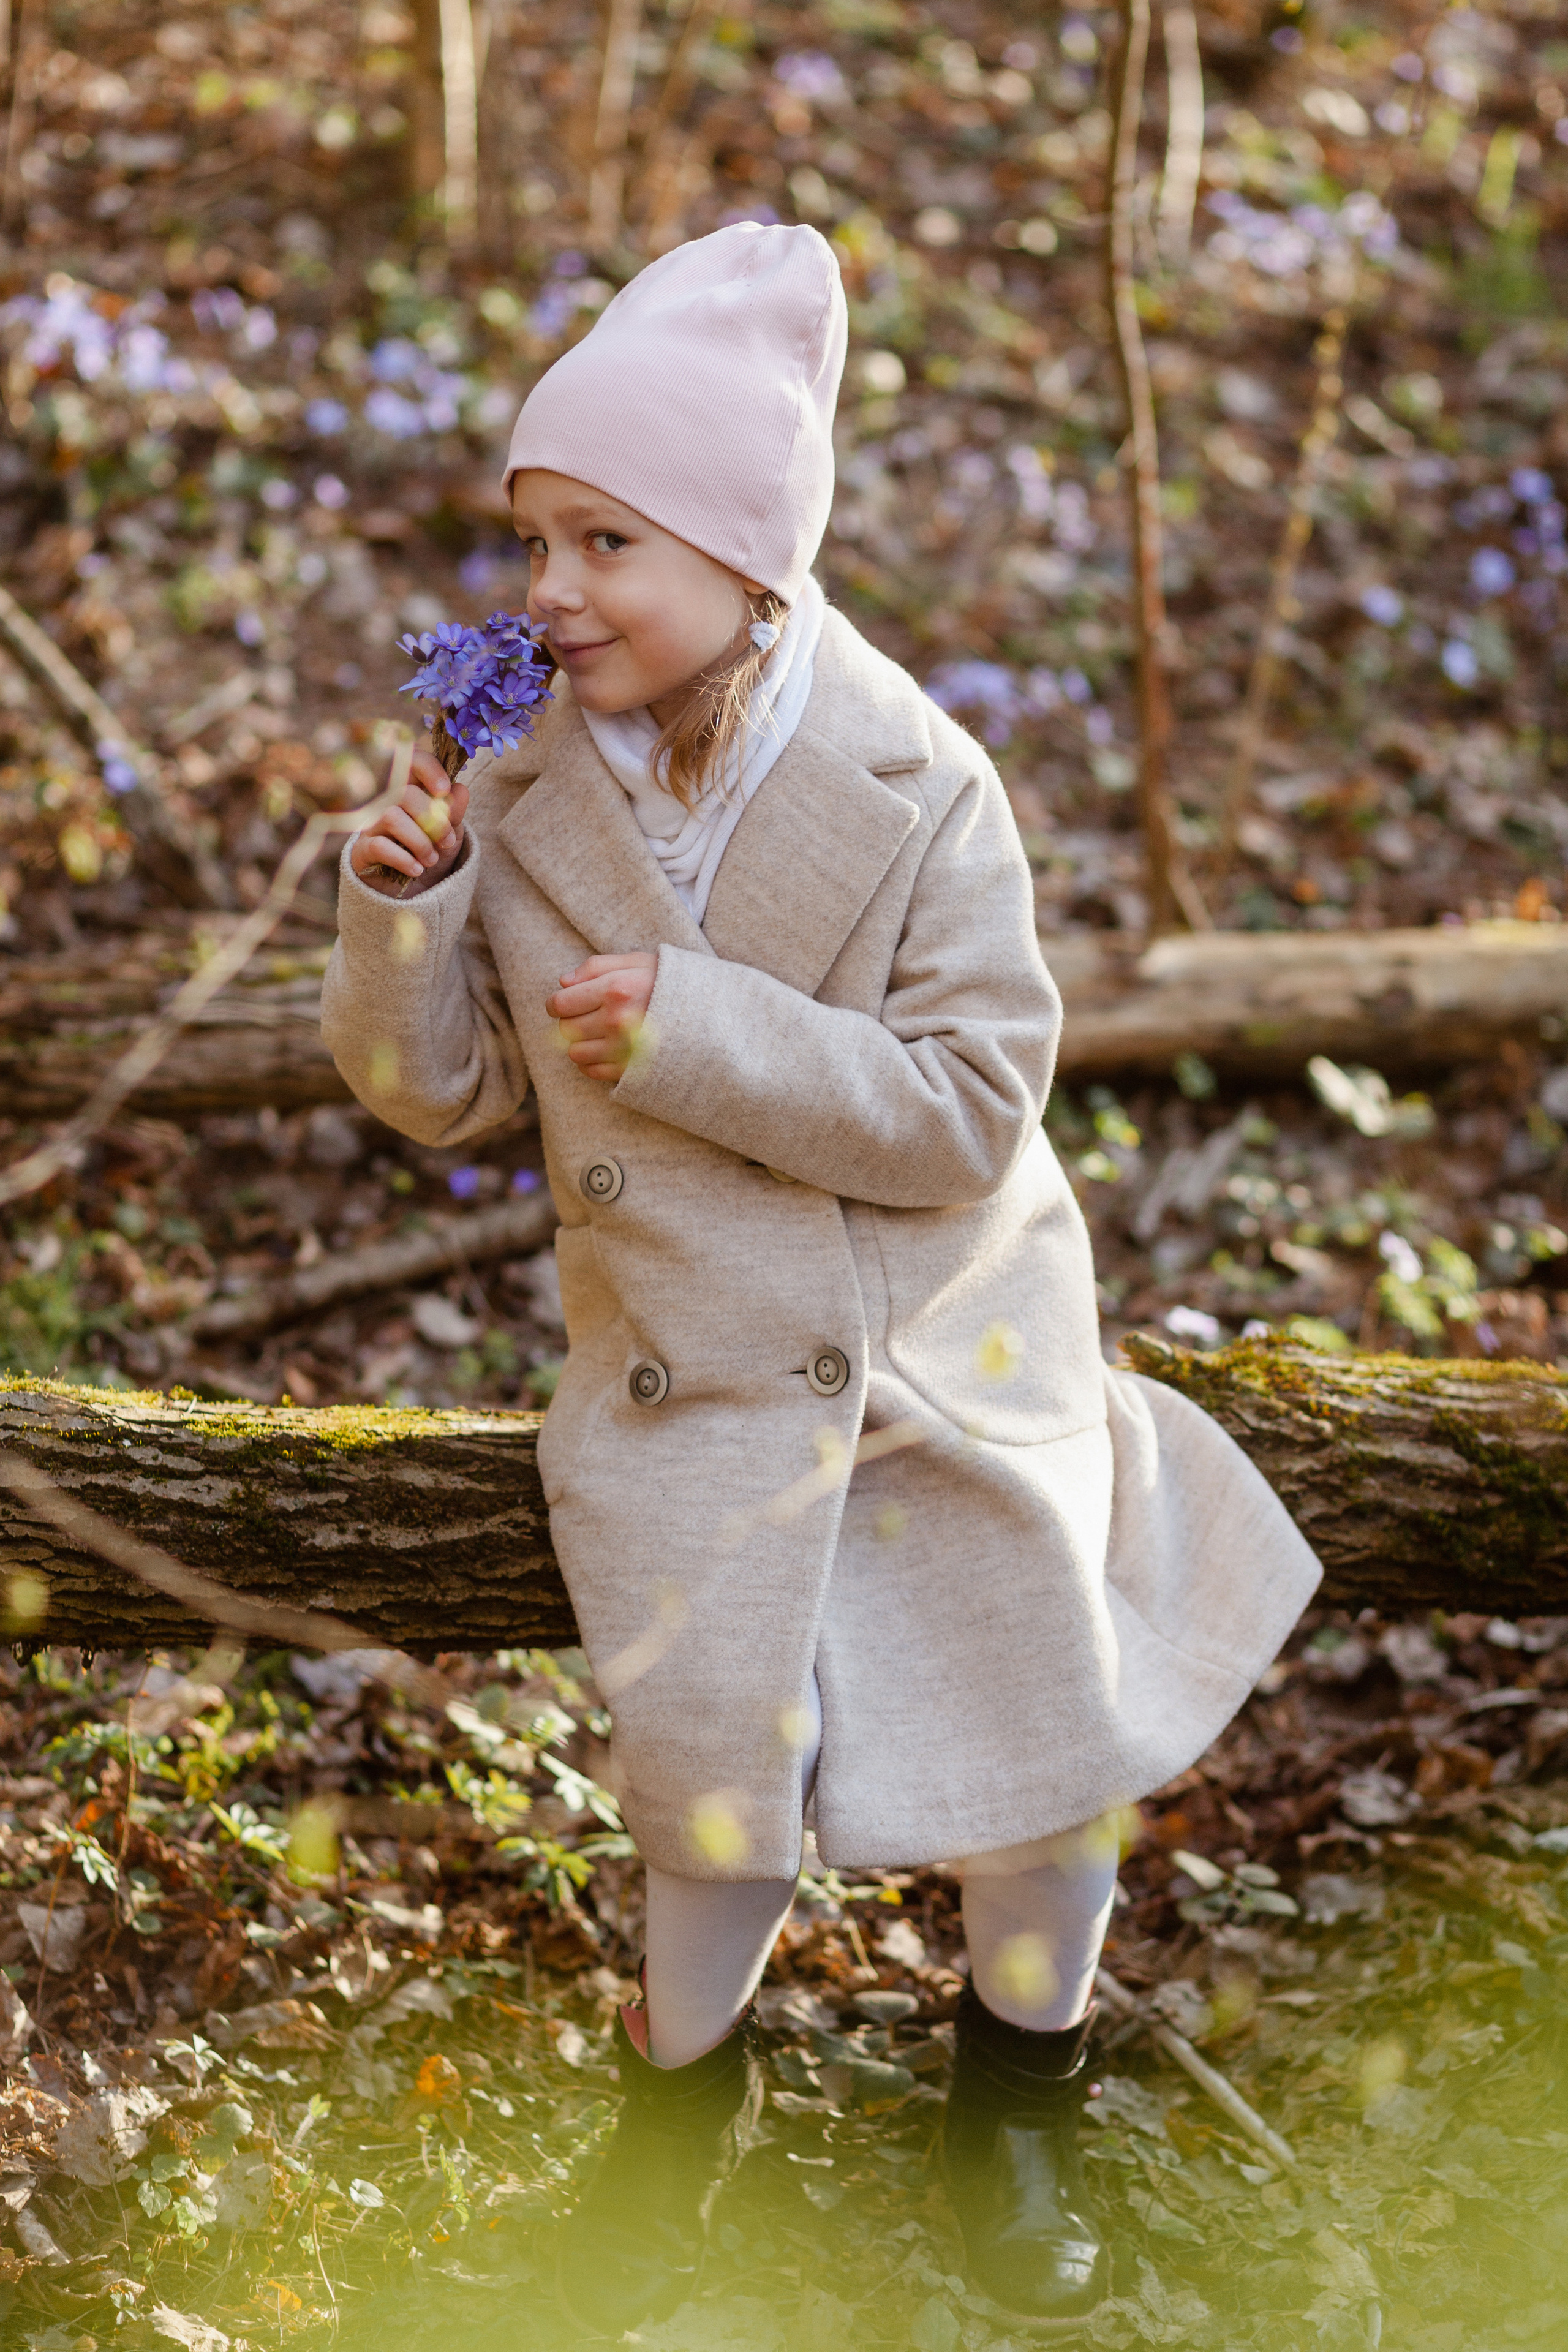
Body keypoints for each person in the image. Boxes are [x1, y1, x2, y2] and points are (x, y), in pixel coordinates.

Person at [322, 222, 1321, 2337]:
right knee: (711, 1797)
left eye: (610, 540)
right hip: (690, 1368)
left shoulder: (920, 780)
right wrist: (405, 912)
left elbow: (972, 1103)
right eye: (533, 540)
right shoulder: (512, 774)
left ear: (750, 560)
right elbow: (443, 1100)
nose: (553, 591)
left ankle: (1017, 2098)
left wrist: (699, 1031)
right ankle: (678, 2136)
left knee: (1039, 1767)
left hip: (945, 1350)